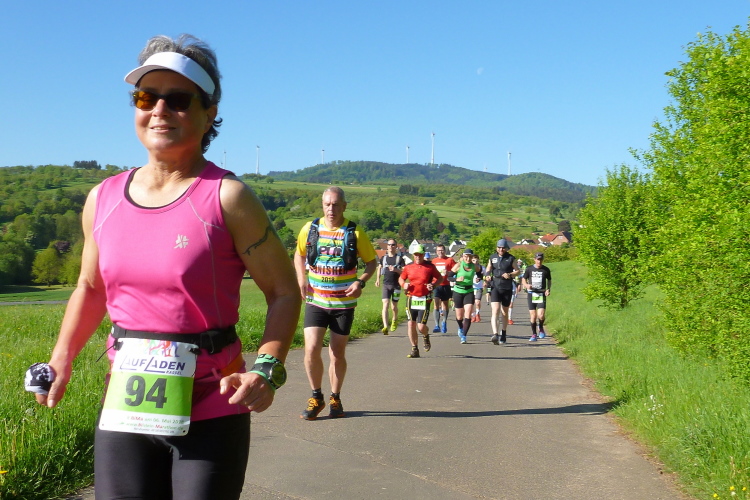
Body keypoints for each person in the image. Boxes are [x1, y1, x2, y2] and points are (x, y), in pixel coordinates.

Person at [31, 34, 301, 500]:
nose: (159, 110)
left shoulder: (228, 197)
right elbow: (90, 289)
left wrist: (267, 367)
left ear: (209, 113)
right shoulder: (103, 199)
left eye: (178, 100)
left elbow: (284, 291)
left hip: (214, 401)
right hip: (126, 405)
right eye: (146, 97)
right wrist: (62, 359)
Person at [294, 187, 377, 420]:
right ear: (322, 205)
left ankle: (335, 397)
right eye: (327, 204)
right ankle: (316, 396)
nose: (331, 209)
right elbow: (299, 254)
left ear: (344, 206)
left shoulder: (355, 232)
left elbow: (372, 262)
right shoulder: (310, 229)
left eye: (336, 204)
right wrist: (301, 279)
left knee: (337, 353)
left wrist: (360, 282)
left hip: (343, 304)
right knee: (311, 348)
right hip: (316, 301)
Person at [398, 244, 443, 358]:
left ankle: (426, 336)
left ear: (423, 255)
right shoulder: (408, 267)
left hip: (424, 298)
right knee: (411, 324)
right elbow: (401, 278)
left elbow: (440, 278)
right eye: (416, 254)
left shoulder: (430, 267)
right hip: (411, 297)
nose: (418, 257)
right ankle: (414, 349)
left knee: (421, 327)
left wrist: (433, 285)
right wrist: (404, 285)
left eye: (420, 254)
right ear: (413, 255)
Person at [485, 238, 519, 345]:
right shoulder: (492, 257)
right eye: (499, 247)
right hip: (495, 286)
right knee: (495, 310)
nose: (501, 249)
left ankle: (503, 332)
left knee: (504, 312)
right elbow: (488, 269)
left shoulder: (511, 258)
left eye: (503, 248)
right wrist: (487, 276)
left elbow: (518, 271)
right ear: (496, 248)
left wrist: (510, 274)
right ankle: (495, 334)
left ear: (506, 248)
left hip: (506, 287)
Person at [449, 248, 483, 343]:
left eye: (470, 257)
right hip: (458, 291)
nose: (468, 259)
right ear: (463, 257)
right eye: (466, 256)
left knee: (468, 314)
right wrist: (457, 279)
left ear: (472, 257)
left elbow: (480, 274)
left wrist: (479, 278)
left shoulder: (474, 266)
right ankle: (460, 327)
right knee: (459, 317)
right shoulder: (458, 265)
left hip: (469, 291)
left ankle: (464, 336)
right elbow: (449, 277)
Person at [375, 239, 405, 334]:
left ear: (396, 246)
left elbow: (404, 272)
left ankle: (394, 319)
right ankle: (385, 326)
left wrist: (396, 270)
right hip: (386, 284)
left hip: (396, 286)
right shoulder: (383, 258)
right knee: (385, 304)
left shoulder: (400, 259)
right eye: (389, 245)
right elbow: (379, 268)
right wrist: (377, 279)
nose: (391, 246)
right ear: (387, 246)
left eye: (393, 245)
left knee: (394, 307)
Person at [521, 252, 553, 341]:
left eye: (541, 259)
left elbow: (549, 280)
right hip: (531, 293)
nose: (539, 261)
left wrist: (548, 289)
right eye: (538, 259)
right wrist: (526, 285)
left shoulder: (546, 269)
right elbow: (523, 279)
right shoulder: (529, 269)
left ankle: (541, 327)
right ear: (534, 259)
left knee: (541, 315)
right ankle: (534, 334)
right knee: (533, 316)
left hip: (541, 294)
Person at [430, 243, 456, 334]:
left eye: (442, 250)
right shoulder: (434, 261)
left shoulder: (450, 260)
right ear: (436, 251)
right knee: (436, 303)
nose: (440, 252)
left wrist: (448, 272)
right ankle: (437, 325)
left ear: (445, 251)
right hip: (436, 285)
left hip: (446, 284)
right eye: (438, 250)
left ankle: (444, 322)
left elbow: (456, 270)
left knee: (445, 305)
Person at [507, 259, 526, 325]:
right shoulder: (506, 268)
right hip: (505, 287)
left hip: (513, 287)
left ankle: (509, 318)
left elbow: (520, 277)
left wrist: (519, 285)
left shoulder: (517, 269)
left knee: (511, 303)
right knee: (504, 304)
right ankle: (505, 317)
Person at [471, 254, 485, 322]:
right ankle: (473, 315)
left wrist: (485, 281)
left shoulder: (482, 268)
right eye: (473, 260)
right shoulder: (469, 268)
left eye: (476, 260)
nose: (475, 262)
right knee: (471, 303)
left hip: (479, 287)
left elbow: (486, 275)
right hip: (471, 287)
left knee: (477, 302)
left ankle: (477, 313)